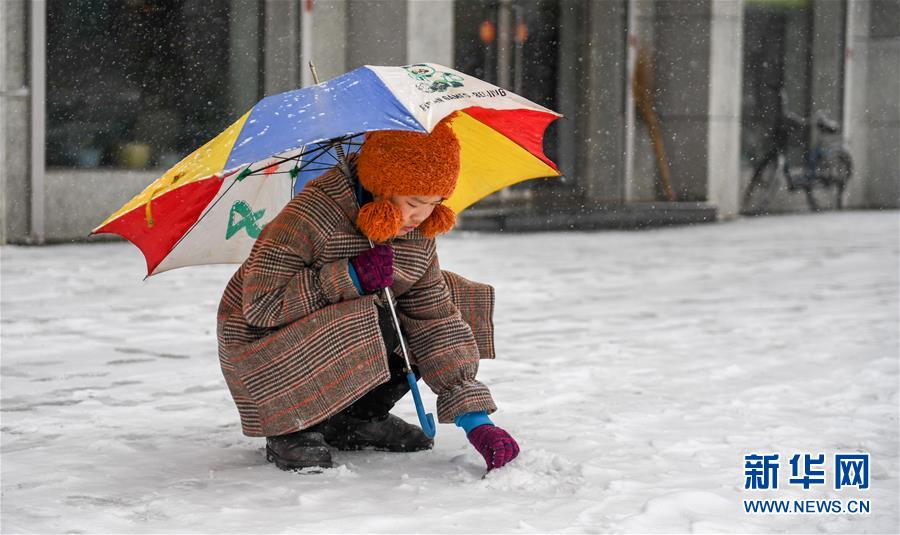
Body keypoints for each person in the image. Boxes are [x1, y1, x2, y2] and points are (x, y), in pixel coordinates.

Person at [216, 120, 520, 472]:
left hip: (336, 333)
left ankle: (357, 417)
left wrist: (475, 419)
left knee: (449, 296)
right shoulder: (311, 216)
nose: (422, 216)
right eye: (413, 202)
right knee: (369, 310)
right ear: (381, 185)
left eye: (435, 202)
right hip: (264, 348)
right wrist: (348, 277)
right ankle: (293, 429)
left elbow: (434, 318)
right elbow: (261, 307)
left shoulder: (418, 229)